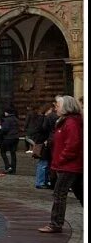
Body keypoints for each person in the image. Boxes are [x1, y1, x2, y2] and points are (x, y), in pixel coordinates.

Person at [40, 95, 82, 234]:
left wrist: (61, 159)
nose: (55, 107)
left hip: (68, 166)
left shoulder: (71, 123)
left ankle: (55, 224)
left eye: (58, 105)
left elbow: (73, 145)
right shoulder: (65, 121)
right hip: (67, 164)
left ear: (66, 107)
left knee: (59, 194)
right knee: (81, 193)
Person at [26, 101, 58, 189]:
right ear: (49, 109)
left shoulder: (43, 118)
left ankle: (43, 181)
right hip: (43, 143)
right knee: (43, 163)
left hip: (42, 142)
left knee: (44, 163)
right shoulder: (44, 118)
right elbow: (41, 129)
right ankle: (40, 182)